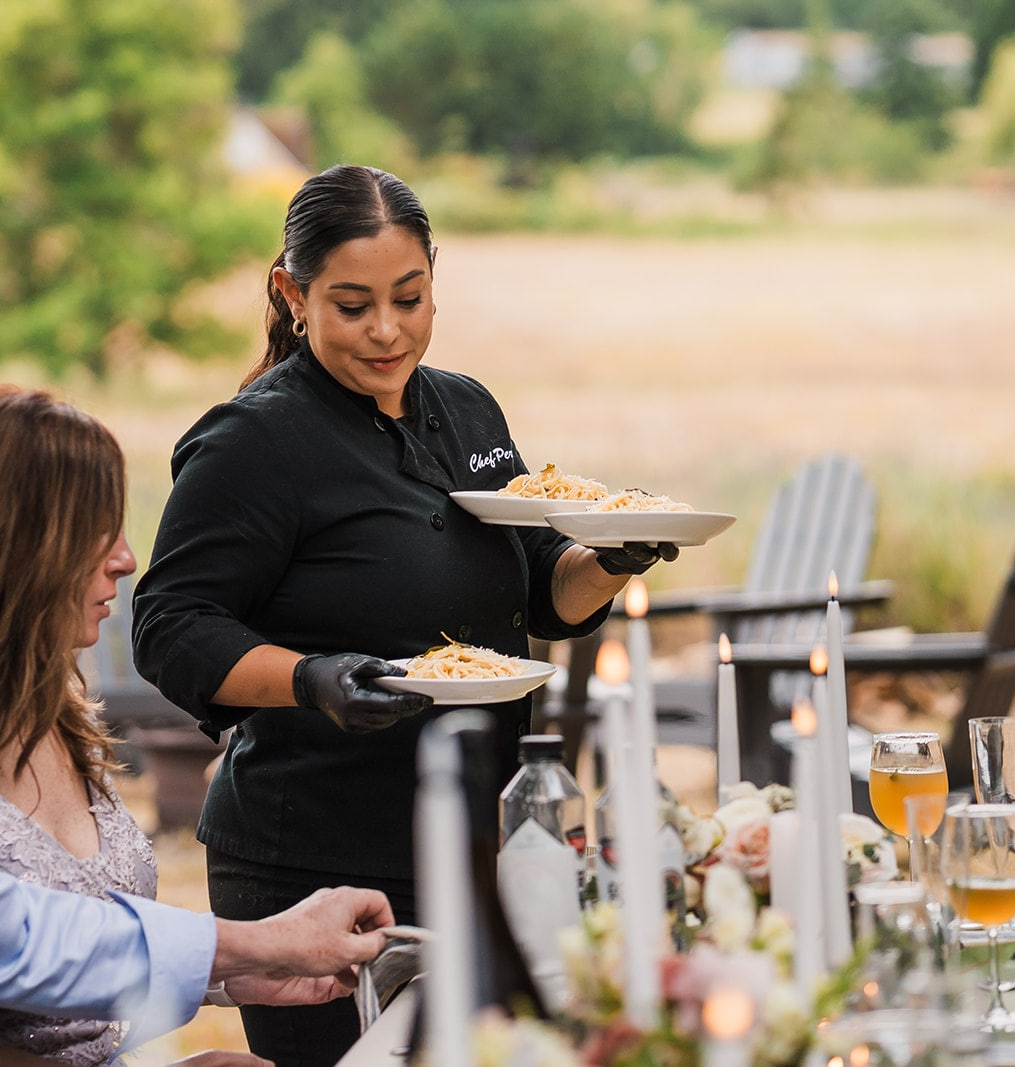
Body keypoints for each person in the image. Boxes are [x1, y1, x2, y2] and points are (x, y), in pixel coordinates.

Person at [132, 163, 676, 1064]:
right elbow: (172, 626)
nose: (387, 330)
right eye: (352, 306)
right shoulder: (254, 442)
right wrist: (316, 678)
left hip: (481, 841)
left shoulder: (465, 409)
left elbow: (541, 586)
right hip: (316, 863)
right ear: (291, 295)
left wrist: (608, 559)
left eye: (409, 298)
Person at [0, 415, 390, 1066]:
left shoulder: (58, 711)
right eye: (97, 529)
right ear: (20, 549)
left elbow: (55, 942)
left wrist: (234, 973)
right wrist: (257, 945)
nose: (126, 557)